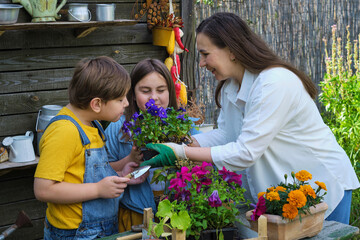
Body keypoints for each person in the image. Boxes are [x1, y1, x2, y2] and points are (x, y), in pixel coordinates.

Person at [140, 12, 360, 226]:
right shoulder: (231, 86)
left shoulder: (273, 83)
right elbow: (227, 134)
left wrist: (181, 153)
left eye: (205, 54)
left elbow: (246, 152)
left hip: (322, 187)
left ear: (232, 50)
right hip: (288, 197)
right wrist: (189, 144)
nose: (201, 63)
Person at [34, 56, 143, 239]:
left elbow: (87, 170)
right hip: (74, 233)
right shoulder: (65, 132)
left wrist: (122, 169)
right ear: (97, 104)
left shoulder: (93, 124)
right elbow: (43, 189)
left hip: (99, 228)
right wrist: (98, 190)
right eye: (120, 99)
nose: (126, 103)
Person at [105, 58, 200, 232]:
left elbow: (205, 165)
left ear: (170, 92)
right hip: (136, 213)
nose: (154, 97)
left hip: (180, 212)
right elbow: (101, 170)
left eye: (161, 90)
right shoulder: (117, 128)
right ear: (132, 94)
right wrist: (129, 159)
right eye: (145, 90)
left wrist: (187, 145)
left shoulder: (183, 125)